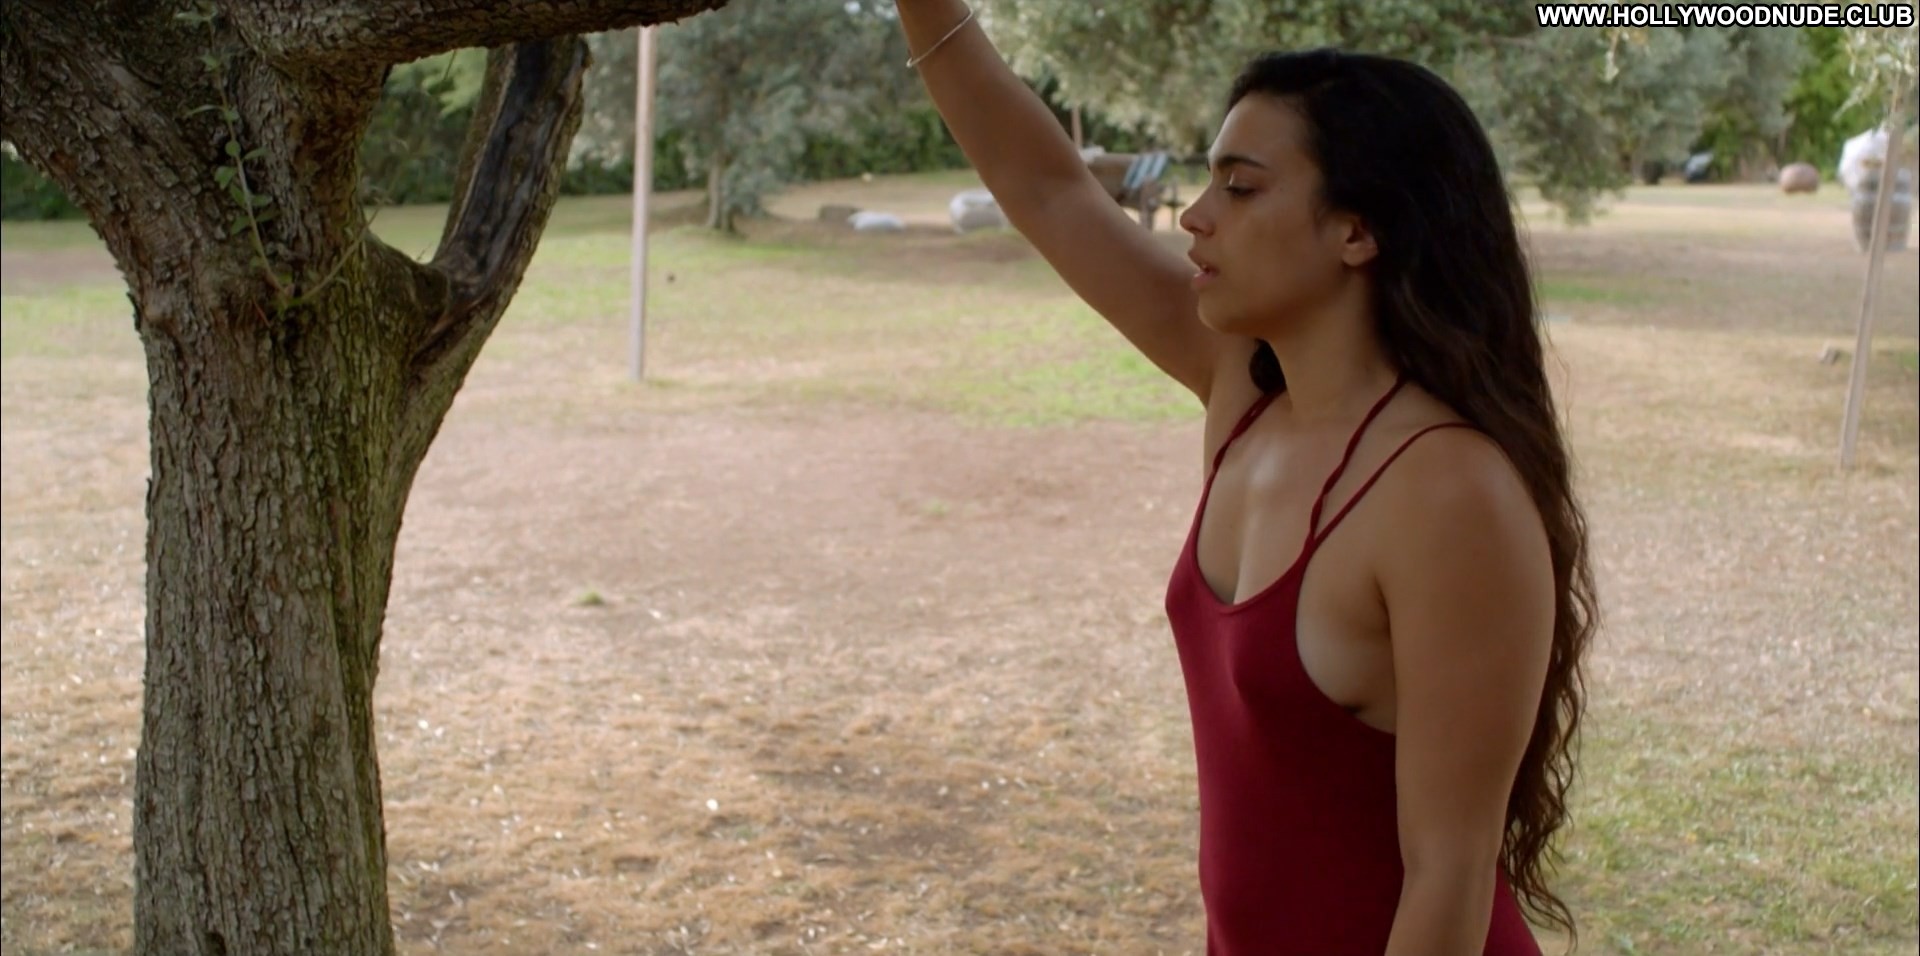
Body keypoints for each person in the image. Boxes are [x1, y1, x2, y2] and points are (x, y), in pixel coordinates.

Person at [897, 4, 1599, 955]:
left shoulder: (1448, 493)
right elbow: (1048, 188)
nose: (1196, 215)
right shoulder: (1247, 399)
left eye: (1240, 186)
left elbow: (1450, 875)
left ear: (1357, 231)